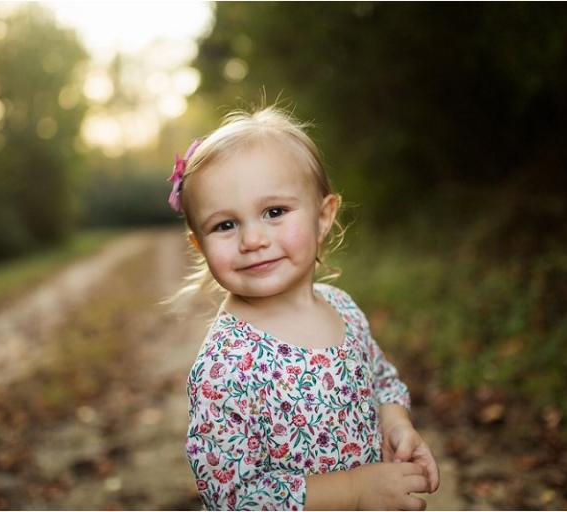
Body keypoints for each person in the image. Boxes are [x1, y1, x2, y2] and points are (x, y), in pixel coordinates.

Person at [168, 105, 440, 510]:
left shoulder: (342, 308)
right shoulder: (226, 365)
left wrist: (396, 423)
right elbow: (232, 496)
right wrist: (356, 491)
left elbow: (381, 378)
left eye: (274, 212)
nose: (253, 239)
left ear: (323, 216)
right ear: (200, 245)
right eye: (225, 225)